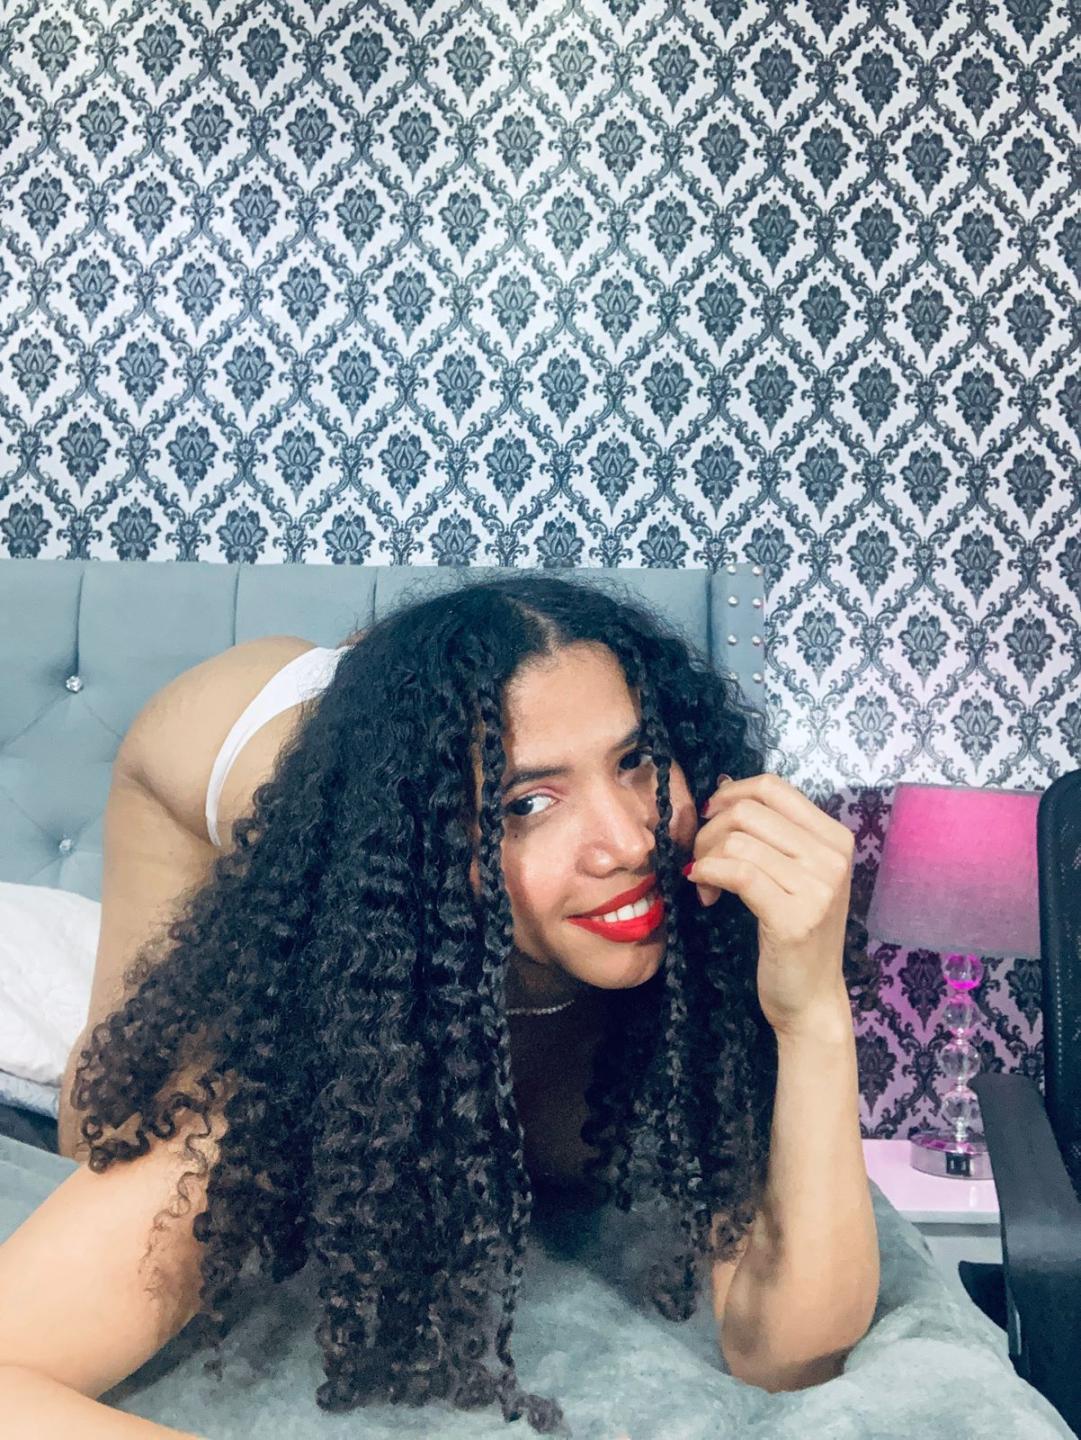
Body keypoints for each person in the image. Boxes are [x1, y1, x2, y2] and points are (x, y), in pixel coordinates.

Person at [0, 571, 792, 1436]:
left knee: (555, 1129)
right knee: (117, 1123)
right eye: (526, 802)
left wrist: (813, 1005)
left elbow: (791, 1352)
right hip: (220, 748)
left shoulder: (699, 882)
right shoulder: (351, 912)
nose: (631, 843)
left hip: (433, 753)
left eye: (635, 759)